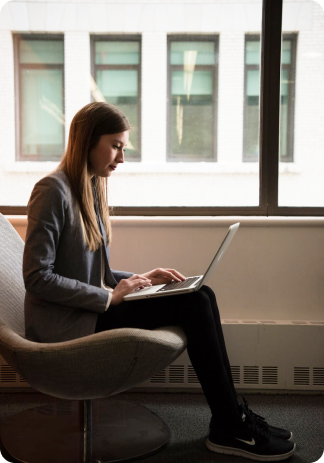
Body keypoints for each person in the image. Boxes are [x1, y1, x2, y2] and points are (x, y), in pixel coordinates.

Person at [23, 102, 296, 461]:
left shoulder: (89, 187)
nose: (121, 157)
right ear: (88, 141)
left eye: (123, 147)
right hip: (64, 323)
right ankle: (230, 424)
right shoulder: (52, 190)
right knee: (195, 303)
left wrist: (139, 279)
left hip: (86, 309)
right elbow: (37, 278)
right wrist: (109, 299)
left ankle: (232, 418)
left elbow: (95, 273)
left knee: (202, 293)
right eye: (116, 145)